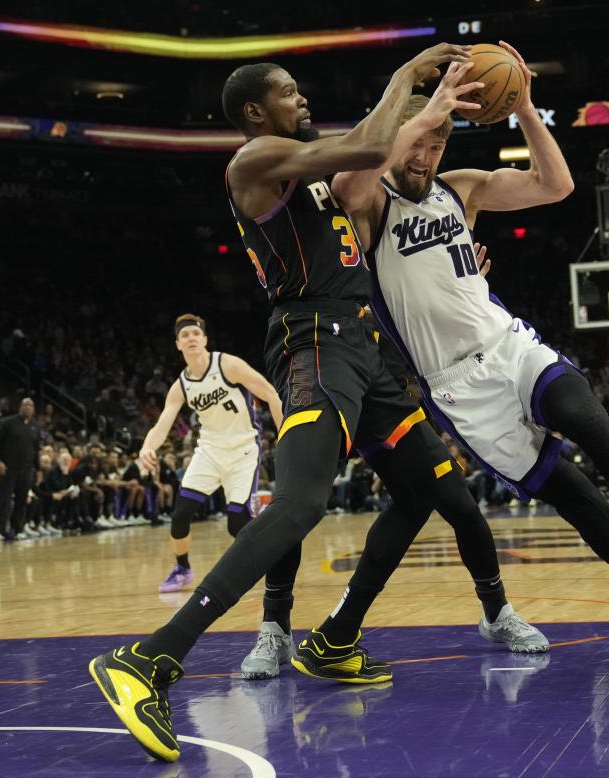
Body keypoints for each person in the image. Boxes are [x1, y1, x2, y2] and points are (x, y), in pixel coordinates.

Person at [89, 43, 545, 764]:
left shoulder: (318, 180)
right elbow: (367, 142)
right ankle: (150, 659)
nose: (302, 101)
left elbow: (373, 174)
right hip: (314, 342)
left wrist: (437, 139)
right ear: (253, 111)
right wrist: (410, 77)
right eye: (290, 92)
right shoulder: (254, 163)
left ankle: (334, 639)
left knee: (427, 489)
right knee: (301, 504)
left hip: (366, 353)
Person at [319, 45, 609, 688]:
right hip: (460, 388)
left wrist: (521, 105)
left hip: (509, 342)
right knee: (581, 506)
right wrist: (422, 106)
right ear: (397, 137)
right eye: (419, 143)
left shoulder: (460, 189)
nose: (427, 156)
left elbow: (557, 185)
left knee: (588, 418)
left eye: (438, 144)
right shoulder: (368, 205)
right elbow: (351, 179)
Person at [138, 313, 283, 593]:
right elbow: (163, 424)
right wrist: (147, 447)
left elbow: (269, 393)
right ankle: (182, 570)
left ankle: (264, 560)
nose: (191, 338)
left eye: (195, 334)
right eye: (185, 335)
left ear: (204, 339)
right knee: (180, 514)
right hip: (209, 452)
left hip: (243, 451)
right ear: (178, 345)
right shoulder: (181, 385)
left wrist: (285, 435)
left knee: (236, 524)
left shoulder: (227, 364)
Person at [0, 397, 40, 540]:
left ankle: (17, 529)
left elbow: (36, 449)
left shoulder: (35, 426)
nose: (28, 407)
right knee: (5, 500)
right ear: (20, 407)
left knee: (22, 500)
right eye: (25, 404)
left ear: (34, 409)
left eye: (31, 405)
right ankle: (0, 531)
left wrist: (38, 469)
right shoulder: (8, 423)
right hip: (8, 468)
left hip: (27, 469)